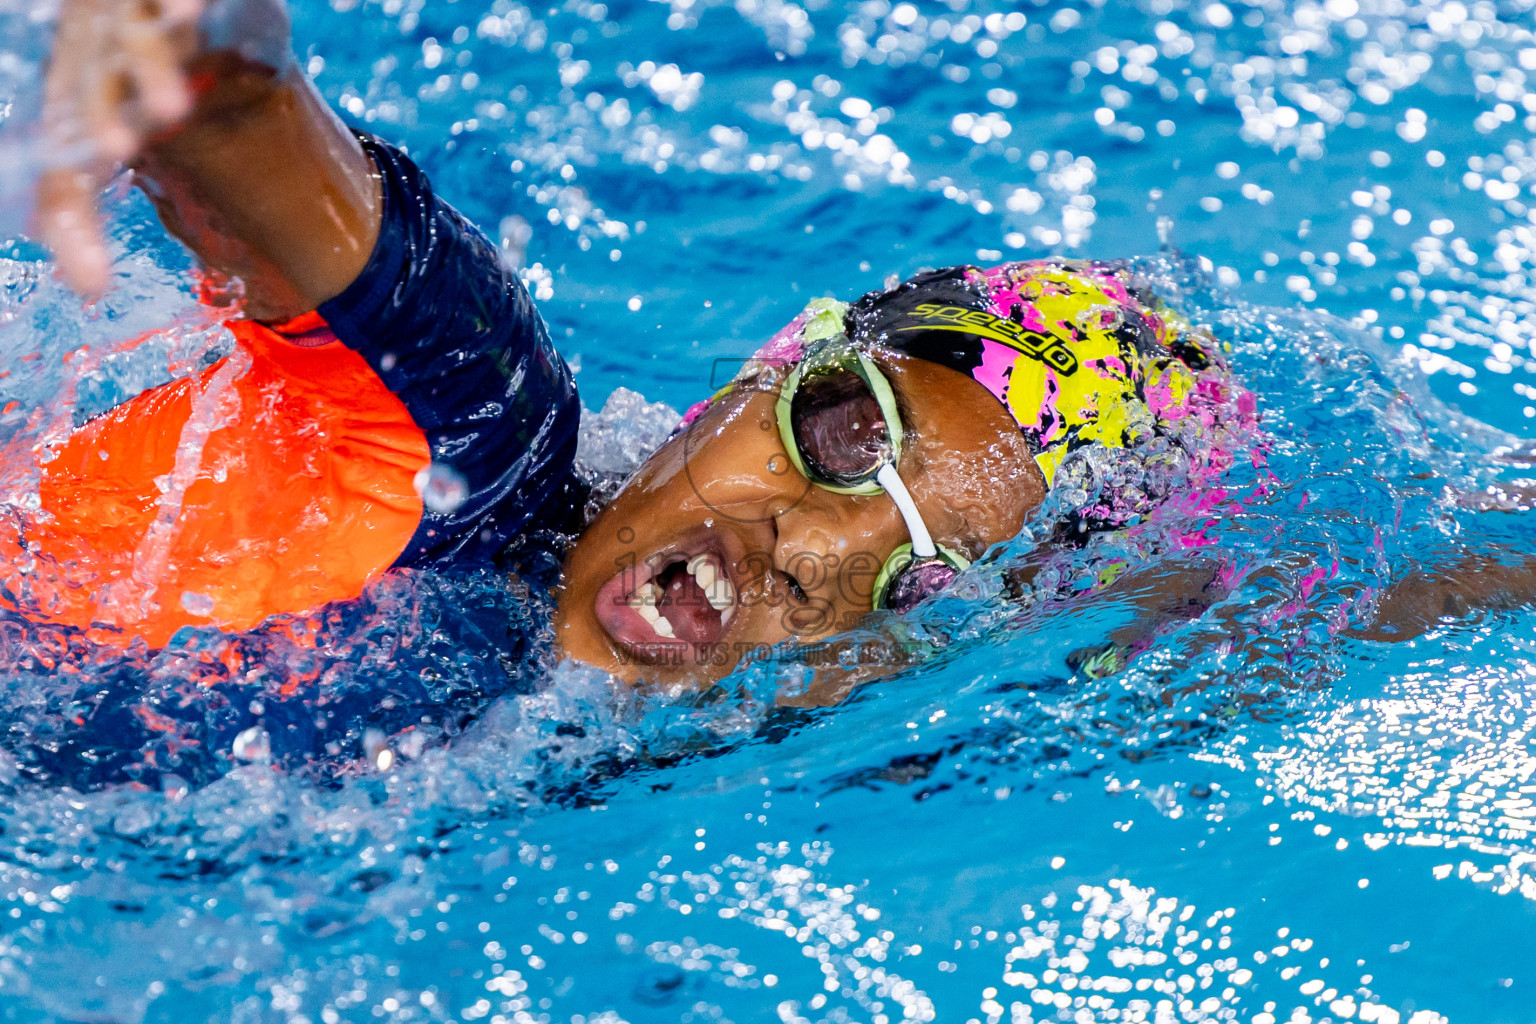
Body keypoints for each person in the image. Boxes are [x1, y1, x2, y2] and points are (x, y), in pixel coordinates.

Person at [23, 0, 1536, 698]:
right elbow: (243, 119)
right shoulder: (464, 427)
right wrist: (183, 54)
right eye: (850, 441)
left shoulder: (735, 728)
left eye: (921, 573)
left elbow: (1221, 628)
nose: (816, 556)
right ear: (758, 377)